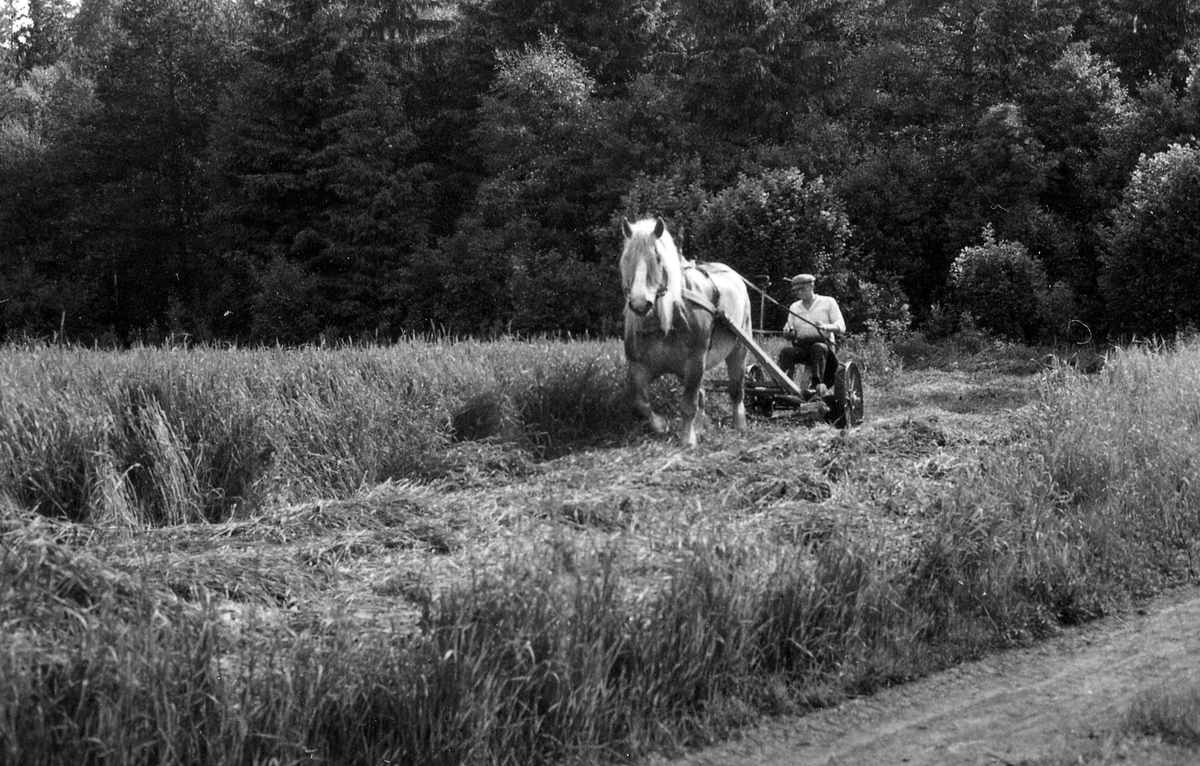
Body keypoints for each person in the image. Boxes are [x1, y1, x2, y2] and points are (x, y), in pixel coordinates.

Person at [777, 273, 845, 397]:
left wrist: (826, 327)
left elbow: (841, 326)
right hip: (803, 348)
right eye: (796, 291)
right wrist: (788, 332)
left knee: (818, 348)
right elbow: (788, 330)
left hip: (825, 347)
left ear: (811, 286)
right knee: (786, 352)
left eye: (801, 289)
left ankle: (817, 386)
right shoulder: (794, 307)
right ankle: (786, 386)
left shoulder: (828, 302)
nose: (799, 293)